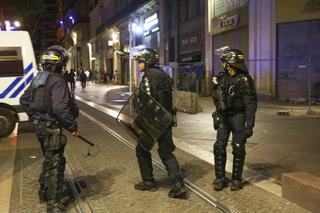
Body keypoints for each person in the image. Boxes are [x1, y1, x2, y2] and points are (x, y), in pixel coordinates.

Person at [20, 45, 80, 212]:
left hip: (39, 128)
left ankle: (44, 190)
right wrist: (72, 126)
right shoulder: (58, 81)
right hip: (52, 128)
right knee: (56, 162)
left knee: (49, 157)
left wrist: (36, 116)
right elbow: (61, 109)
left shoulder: (38, 78)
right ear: (58, 63)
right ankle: (53, 204)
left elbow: (24, 100)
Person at [133, 48, 187, 198]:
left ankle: (149, 182)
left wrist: (137, 104)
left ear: (147, 62)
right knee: (166, 152)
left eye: (141, 62)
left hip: (153, 122)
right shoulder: (164, 75)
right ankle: (178, 185)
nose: (138, 64)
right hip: (166, 118)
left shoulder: (148, 77)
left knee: (142, 150)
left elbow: (148, 101)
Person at [212, 49, 257, 191]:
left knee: (238, 147)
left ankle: (236, 179)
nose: (221, 64)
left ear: (230, 63)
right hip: (224, 117)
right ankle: (220, 178)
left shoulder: (245, 80)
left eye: (223, 61)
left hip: (238, 117)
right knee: (219, 146)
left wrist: (249, 125)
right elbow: (216, 97)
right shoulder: (222, 77)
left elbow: (251, 103)